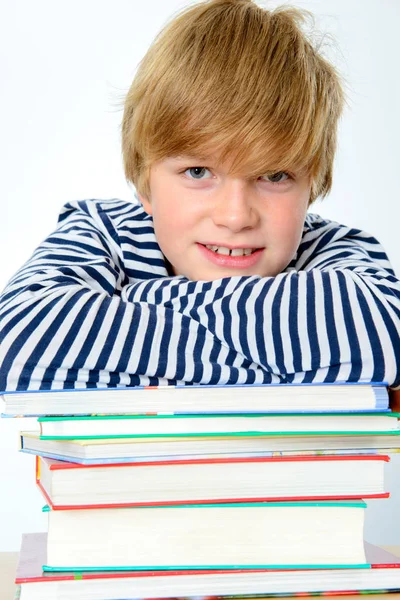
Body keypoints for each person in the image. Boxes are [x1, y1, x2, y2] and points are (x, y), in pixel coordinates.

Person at [0, 0, 399, 393]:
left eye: (274, 175)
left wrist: (135, 299)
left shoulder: (335, 250)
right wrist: (295, 348)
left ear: (311, 184)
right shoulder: (102, 232)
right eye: (197, 172)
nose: (235, 217)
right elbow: (17, 341)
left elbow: (385, 335)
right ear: (144, 182)